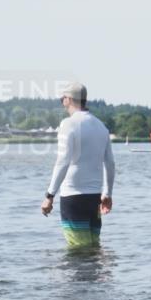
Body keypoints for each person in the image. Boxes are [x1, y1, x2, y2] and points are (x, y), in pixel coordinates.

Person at [40, 82, 114, 247]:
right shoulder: (101, 126)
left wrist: (49, 196)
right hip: (95, 198)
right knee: (93, 247)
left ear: (68, 99)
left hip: (73, 197)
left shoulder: (68, 124)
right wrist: (107, 194)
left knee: (77, 250)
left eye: (62, 98)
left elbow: (63, 161)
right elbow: (110, 163)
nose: (62, 102)